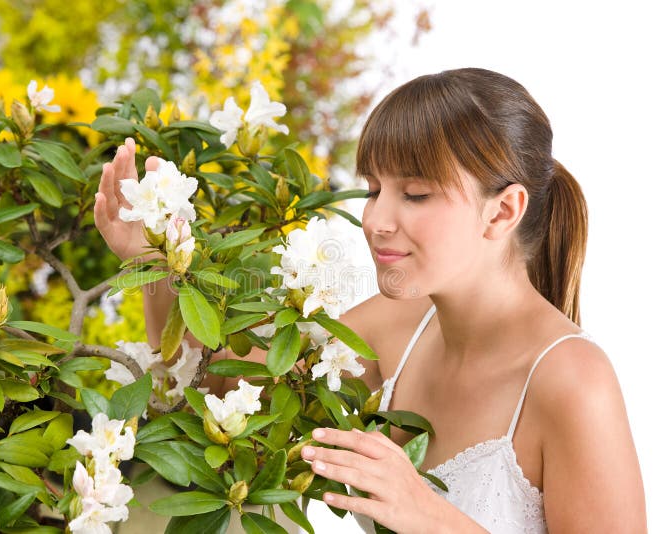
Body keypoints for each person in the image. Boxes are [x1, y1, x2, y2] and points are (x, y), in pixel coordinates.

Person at [94, 68, 646, 533]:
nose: (376, 221)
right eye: (374, 189)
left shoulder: (573, 381)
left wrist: (434, 519)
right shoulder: (396, 327)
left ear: (501, 211)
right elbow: (211, 394)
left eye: (415, 194)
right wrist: (158, 262)